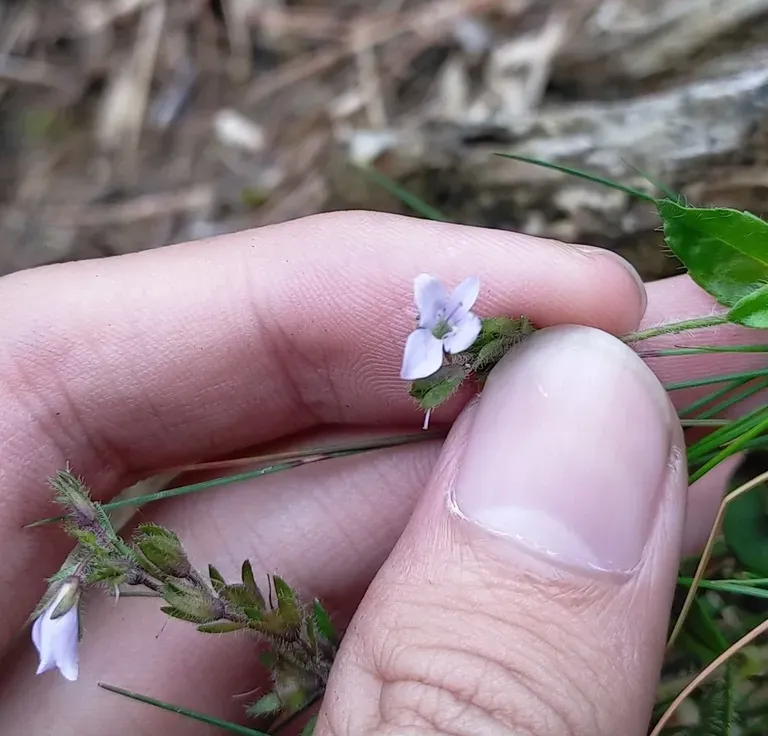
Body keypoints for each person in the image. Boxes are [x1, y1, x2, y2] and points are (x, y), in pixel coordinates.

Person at [0, 211, 752, 734]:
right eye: (440, 324)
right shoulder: (441, 328)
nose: (444, 326)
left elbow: (453, 324)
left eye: (448, 322)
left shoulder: (453, 323)